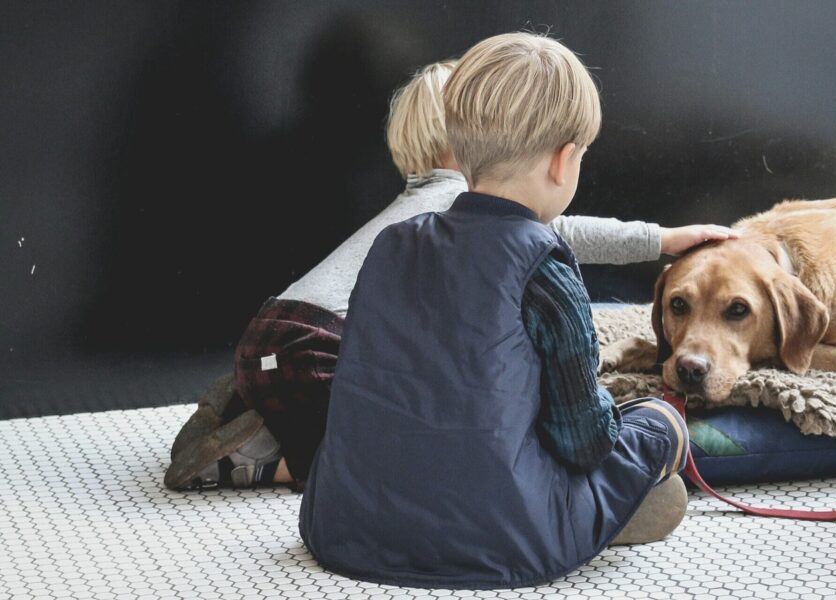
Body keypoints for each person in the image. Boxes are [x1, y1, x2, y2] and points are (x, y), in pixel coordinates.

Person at [164, 57, 733, 491]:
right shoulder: (461, 206)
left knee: (352, 409)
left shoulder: (417, 208)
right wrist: (660, 239)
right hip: (319, 344)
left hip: (276, 331)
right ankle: (256, 462)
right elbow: (564, 231)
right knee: (374, 455)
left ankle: (251, 407)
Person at [297, 32, 702, 588]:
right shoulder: (544, 268)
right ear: (564, 162)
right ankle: (607, 506)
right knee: (658, 423)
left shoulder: (391, 244)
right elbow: (584, 442)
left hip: (346, 524)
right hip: (501, 536)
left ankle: (586, 508)